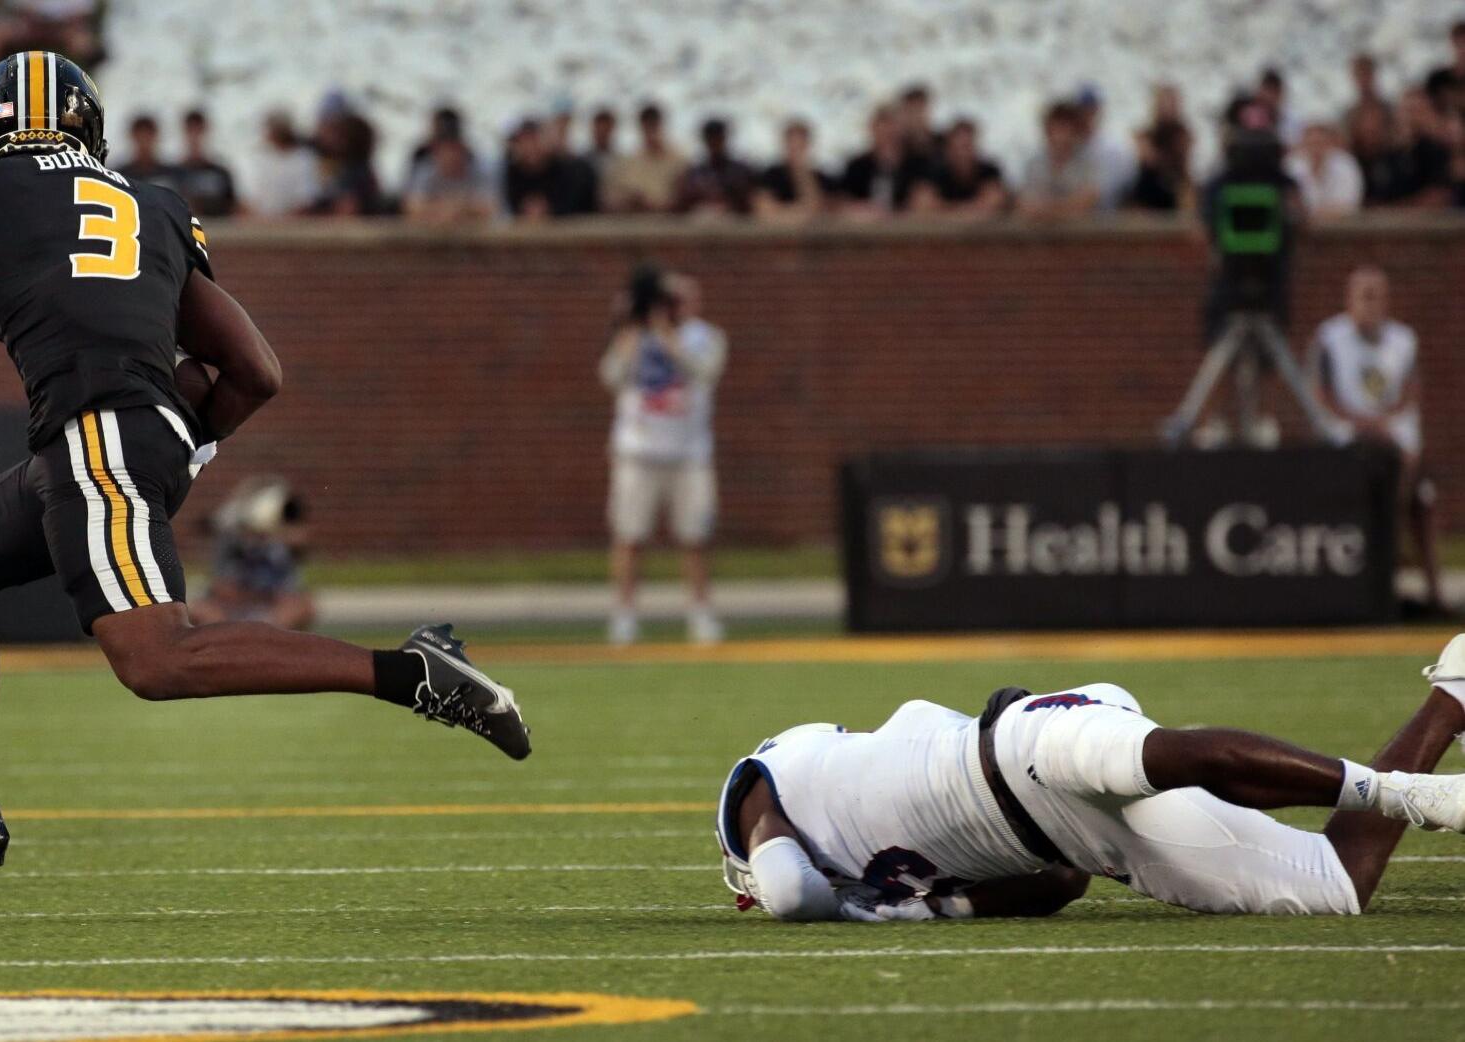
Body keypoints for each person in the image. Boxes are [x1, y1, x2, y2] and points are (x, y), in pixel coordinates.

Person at [0, 52, 530, 889]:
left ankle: (413, 672)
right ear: (87, 127)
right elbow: (256, 370)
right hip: (121, 438)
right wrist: (180, 446)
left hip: (93, 435)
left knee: (156, 660)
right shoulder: (156, 205)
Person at [718, 635, 1465, 922]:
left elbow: (784, 888)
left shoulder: (766, 783)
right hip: (1079, 838)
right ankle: (1453, 692)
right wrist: (930, 911)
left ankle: (1402, 794)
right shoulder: (869, 848)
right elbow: (1059, 884)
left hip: (1021, 748)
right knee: (1334, 887)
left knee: (1169, 754)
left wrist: (856, 910)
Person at [600, 268, 726, 646]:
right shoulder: (634, 335)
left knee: (695, 536)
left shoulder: (705, 337)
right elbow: (611, 376)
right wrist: (630, 328)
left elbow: (704, 372)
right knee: (629, 535)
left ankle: (700, 613)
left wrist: (670, 338)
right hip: (638, 452)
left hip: (689, 454)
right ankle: (624, 614)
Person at [1308, 266, 1444, 613]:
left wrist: (1386, 426)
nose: (1370, 303)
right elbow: (1322, 399)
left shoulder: (1403, 339)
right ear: (1349, 299)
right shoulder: (1329, 338)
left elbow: (1410, 397)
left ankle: (1432, 595)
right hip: (1348, 442)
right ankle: (1384, 567)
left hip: (1392, 439)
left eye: (1376, 295)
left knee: (1423, 495)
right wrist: (1365, 424)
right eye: (1363, 295)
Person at [188, 475, 315, 631]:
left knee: (301, 607)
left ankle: (269, 641)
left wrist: (274, 533)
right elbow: (222, 588)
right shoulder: (231, 538)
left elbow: (300, 541)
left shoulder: (283, 541)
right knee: (201, 611)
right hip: (234, 607)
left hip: (272, 608)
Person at [838, 105, 927, 217]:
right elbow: (844, 202)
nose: (888, 133)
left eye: (892, 126)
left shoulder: (918, 164)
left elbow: (924, 201)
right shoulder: (857, 166)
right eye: (883, 126)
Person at [1019, 101, 1103, 218]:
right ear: (1047, 130)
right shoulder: (1034, 164)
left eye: (1066, 129)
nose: (1061, 135)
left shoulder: (1088, 163)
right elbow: (1027, 205)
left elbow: (1088, 200)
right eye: (1057, 128)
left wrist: (1047, 209)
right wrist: (1066, 207)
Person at [911, 117, 1006, 217]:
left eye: (967, 146)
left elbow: (994, 203)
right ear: (948, 149)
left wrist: (944, 208)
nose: (962, 154)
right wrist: (971, 208)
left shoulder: (989, 171)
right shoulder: (933, 171)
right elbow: (922, 204)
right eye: (957, 147)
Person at [602, 103, 685, 213]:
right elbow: (610, 198)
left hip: (668, 224)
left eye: (654, 125)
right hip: (636, 225)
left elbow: (683, 197)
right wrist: (630, 201)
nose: (651, 131)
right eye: (647, 125)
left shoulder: (679, 161)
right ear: (641, 126)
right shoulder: (626, 163)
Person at [403, 130, 497, 224]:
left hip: (471, 233)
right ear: (436, 153)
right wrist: (443, 210)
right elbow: (412, 207)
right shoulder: (425, 172)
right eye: (446, 151)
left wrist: (457, 209)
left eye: (455, 150)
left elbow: (489, 207)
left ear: (463, 151)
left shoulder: (477, 172)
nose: (451, 156)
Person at [242, 109, 319, 219]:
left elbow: (307, 200)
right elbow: (247, 199)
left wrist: (284, 221)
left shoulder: (304, 158)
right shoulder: (257, 158)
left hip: (294, 227)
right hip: (259, 225)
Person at [752, 118, 831, 221]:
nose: (795, 149)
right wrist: (799, 213)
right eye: (792, 143)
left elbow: (817, 209)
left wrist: (802, 174)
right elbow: (764, 210)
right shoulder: (770, 175)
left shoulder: (820, 177)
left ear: (808, 145)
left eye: (800, 144)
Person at [1285, 122, 1363, 220]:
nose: (1315, 149)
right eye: (1311, 143)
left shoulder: (1345, 164)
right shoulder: (1292, 165)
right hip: (1301, 227)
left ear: (1330, 143)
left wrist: (1310, 212)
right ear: (1302, 143)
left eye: (1320, 143)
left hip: (1340, 226)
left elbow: (1349, 206)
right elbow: (1290, 205)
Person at [175, 109, 238, 218]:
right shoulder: (174, 174)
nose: (195, 137)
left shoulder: (220, 174)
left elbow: (234, 208)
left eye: (198, 130)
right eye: (191, 130)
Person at [113, 113, 182, 195]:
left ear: (155, 137)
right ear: (133, 137)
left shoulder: (172, 174)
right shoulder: (120, 176)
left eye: (148, 137)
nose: (144, 142)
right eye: (140, 137)